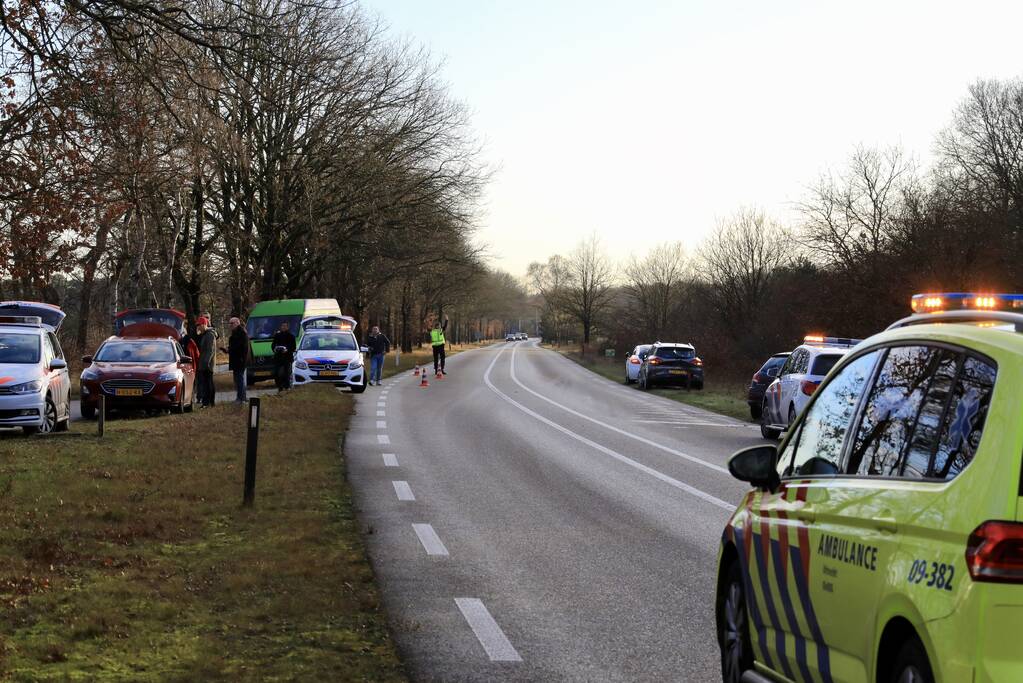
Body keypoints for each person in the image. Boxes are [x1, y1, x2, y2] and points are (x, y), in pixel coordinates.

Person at [221, 316, 249, 403]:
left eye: (232, 323)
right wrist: (227, 350)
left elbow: (241, 347)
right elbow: (234, 346)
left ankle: (242, 398)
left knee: (239, 379)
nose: (230, 325)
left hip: (240, 360)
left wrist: (230, 349)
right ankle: (240, 397)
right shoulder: (235, 333)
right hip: (236, 359)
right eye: (230, 323)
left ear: (237, 323)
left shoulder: (242, 333)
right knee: (237, 380)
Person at [195, 316, 217, 407]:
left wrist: (206, 363)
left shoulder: (210, 335)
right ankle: (207, 402)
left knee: (208, 384)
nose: (198, 327)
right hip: (204, 363)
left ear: (204, 324)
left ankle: (208, 402)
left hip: (207, 364)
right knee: (206, 383)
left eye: (199, 325)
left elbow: (210, 350)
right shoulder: (204, 334)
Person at [272, 320, 297, 392]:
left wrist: (287, 350)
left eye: (285, 326)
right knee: (276, 373)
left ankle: (287, 387)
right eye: (282, 326)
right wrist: (275, 349)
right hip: (278, 357)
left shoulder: (291, 336)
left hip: (287, 357)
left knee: (287, 373)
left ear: (288, 327)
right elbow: (273, 344)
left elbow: (293, 347)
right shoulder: (277, 335)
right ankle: (280, 386)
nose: (283, 327)